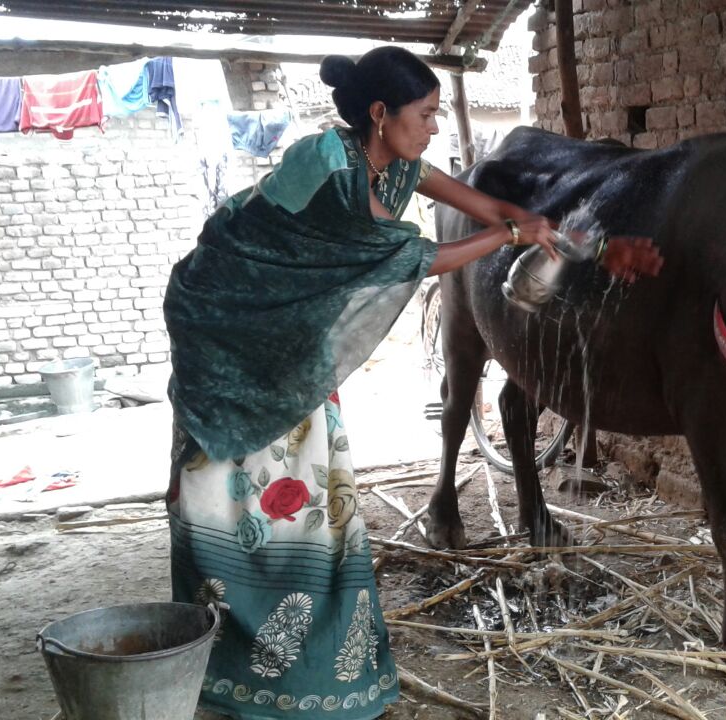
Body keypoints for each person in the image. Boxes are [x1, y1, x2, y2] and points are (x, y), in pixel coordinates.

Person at [163, 47, 661, 720]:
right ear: (379, 114)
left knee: (308, 500)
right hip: (227, 328)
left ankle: (303, 663)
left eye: (433, 114)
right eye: (424, 115)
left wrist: (598, 249)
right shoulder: (320, 161)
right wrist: (504, 238)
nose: (432, 128)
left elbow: (500, 212)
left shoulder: (403, 169)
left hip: (296, 345)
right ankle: (220, 658)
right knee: (216, 495)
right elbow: (402, 258)